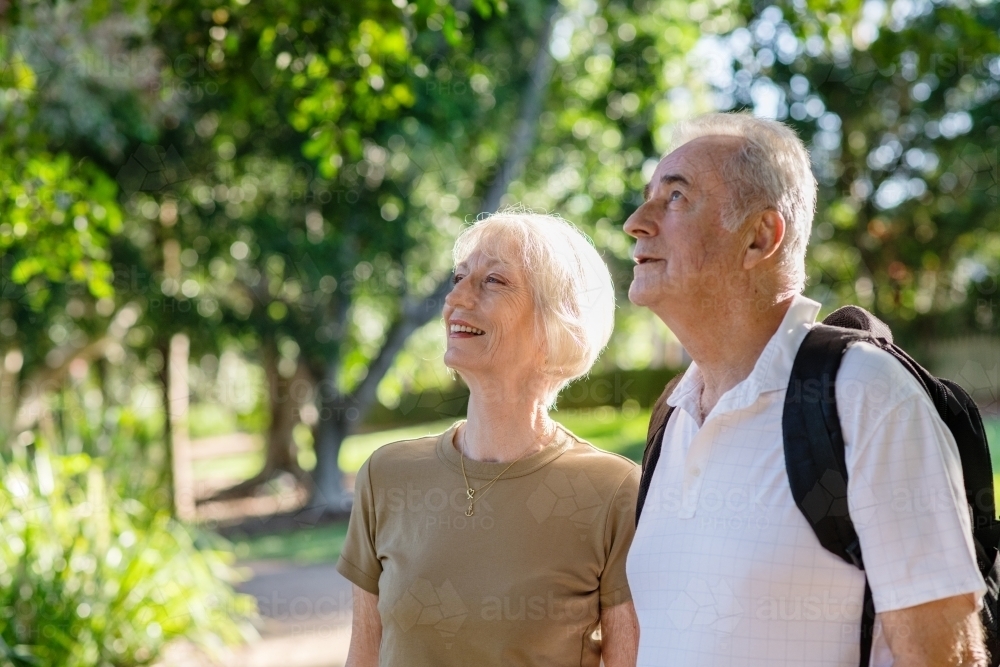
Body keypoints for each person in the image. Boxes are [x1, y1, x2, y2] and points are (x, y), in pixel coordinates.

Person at [623, 112, 987, 665]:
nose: (636, 222)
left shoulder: (865, 393)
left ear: (760, 236)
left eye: (674, 198)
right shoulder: (671, 416)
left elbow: (946, 655)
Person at [337, 211, 640, 667]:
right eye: (459, 278)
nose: (456, 298)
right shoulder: (387, 475)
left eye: (493, 281)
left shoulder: (614, 491)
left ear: (554, 319)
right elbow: (363, 654)